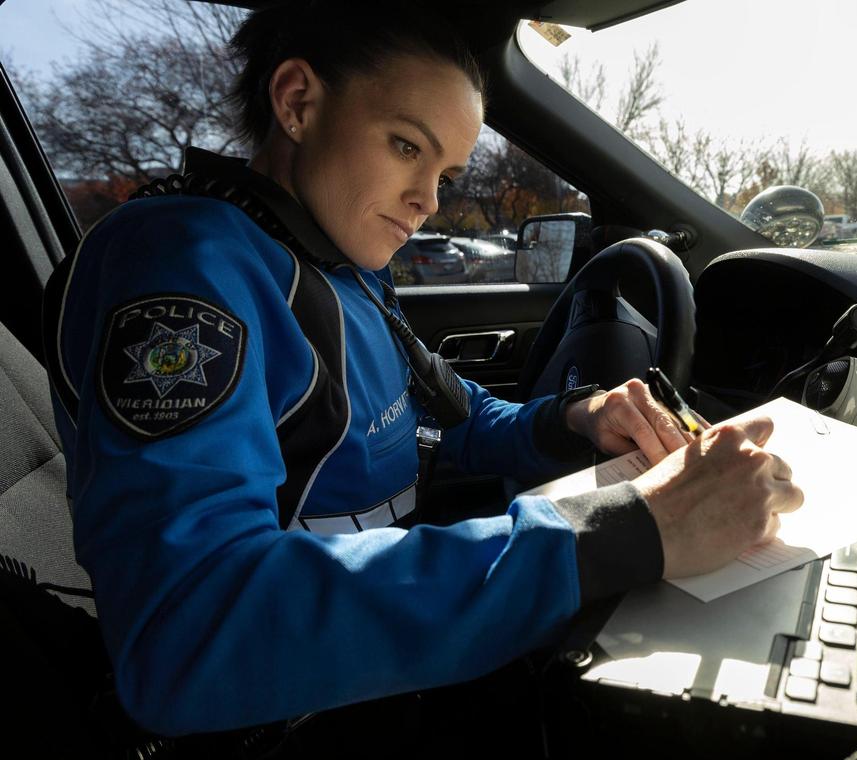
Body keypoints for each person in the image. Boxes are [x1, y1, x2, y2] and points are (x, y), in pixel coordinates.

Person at [43, 0, 803, 739]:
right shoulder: (184, 266)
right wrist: (627, 531)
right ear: (298, 101)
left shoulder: (341, 270)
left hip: (401, 660)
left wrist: (577, 417)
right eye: (407, 146)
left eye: (446, 171)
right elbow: (189, 631)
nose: (427, 202)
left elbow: (446, 421)